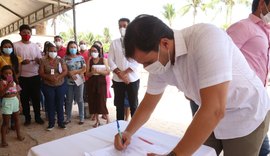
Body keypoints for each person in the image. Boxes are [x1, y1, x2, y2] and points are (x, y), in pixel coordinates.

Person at [113, 14, 270, 156]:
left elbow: (215, 110)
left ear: (165, 44)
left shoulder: (207, 38)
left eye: (147, 62)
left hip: (245, 112)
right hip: (209, 112)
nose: (147, 68)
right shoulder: (160, 62)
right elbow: (148, 104)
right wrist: (128, 132)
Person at [227, 0, 270, 155]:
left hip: (256, 105)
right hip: (238, 105)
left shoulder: (265, 31)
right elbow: (222, 58)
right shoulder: (243, 26)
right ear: (262, 4)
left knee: (264, 151)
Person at [108, 18, 140, 120]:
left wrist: (125, 73)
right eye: (120, 26)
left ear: (129, 27)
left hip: (132, 78)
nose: (122, 28)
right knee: (119, 105)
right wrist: (120, 74)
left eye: (124, 26)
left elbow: (138, 59)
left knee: (133, 105)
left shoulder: (136, 42)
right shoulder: (114, 43)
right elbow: (110, 60)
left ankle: (134, 129)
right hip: (117, 79)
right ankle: (120, 129)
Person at [13, 24, 44, 126]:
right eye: (24, 32)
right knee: (24, 99)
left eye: (28, 32)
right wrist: (21, 63)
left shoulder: (35, 46)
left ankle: (38, 117)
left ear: (31, 34)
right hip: (22, 77)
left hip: (35, 76)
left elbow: (40, 61)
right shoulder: (15, 45)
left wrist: (38, 60)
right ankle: (27, 118)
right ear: (20, 33)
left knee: (36, 98)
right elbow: (13, 61)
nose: (26, 34)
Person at [39, 42, 68, 131]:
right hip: (48, 85)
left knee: (59, 103)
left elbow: (65, 71)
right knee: (50, 104)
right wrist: (48, 77)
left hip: (60, 84)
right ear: (47, 51)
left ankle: (61, 122)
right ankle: (51, 123)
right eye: (51, 51)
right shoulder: (43, 60)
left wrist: (58, 77)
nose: (53, 52)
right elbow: (41, 72)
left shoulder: (60, 60)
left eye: (55, 51)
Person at [86, 44, 110, 127]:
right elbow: (87, 74)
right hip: (92, 83)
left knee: (102, 101)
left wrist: (99, 71)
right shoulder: (89, 60)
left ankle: (108, 120)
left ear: (99, 51)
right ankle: (97, 121)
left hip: (101, 83)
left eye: (95, 51)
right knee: (93, 101)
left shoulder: (103, 60)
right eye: (92, 51)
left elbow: (108, 72)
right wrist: (92, 72)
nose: (93, 53)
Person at [0, 65, 24, 147]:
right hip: (6, 101)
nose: (8, 75)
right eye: (6, 74)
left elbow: (18, 93)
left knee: (17, 119)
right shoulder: (1, 82)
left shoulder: (15, 81)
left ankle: (18, 135)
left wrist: (20, 104)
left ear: (12, 73)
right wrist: (7, 87)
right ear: (2, 74)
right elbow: (1, 94)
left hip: (15, 101)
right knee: (5, 123)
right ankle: (3, 140)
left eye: (10, 73)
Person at [64, 41, 86, 125]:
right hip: (69, 82)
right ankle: (68, 118)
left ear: (77, 48)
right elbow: (64, 70)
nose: (73, 49)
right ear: (68, 48)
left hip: (79, 81)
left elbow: (84, 69)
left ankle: (81, 118)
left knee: (80, 99)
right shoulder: (65, 58)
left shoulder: (81, 57)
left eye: (74, 47)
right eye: (71, 47)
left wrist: (74, 72)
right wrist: (70, 74)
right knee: (69, 100)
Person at [93, 40, 112, 120]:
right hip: (95, 80)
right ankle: (95, 114)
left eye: (98, 46)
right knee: (96, 98)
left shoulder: (106, 56)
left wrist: (99, 71)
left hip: (104, 79)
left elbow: (109, 70)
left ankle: (104, 113)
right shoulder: (92, 59)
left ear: (101, 48)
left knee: (104, 97)